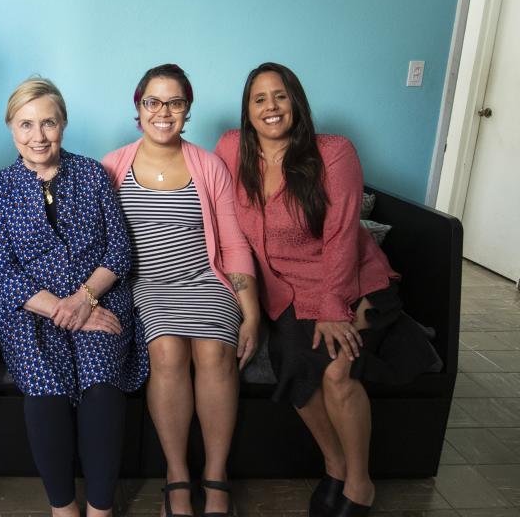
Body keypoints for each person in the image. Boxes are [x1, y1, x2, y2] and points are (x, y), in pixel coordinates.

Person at [214, 62, 441, 517]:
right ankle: (334, 465)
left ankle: (360, 483)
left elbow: (341, 236)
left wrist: (335, 307)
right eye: (259, 99)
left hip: (353, 287)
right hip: (285, 294)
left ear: (296, 102)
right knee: (297, 367)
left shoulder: (334, 153)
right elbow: (211, 205)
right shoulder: (231, 149)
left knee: (338, 373)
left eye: (280, 96)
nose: (271, 107)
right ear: (247, 110)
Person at [0, 78, 148, 517]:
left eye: (48, 123)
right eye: (26, 124)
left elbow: (119, 250)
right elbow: (3, 271)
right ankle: (63, 508)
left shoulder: (93, 174)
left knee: (100, 384)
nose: (38, 136)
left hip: (98, 297)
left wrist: (84, 300)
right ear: (10, 128)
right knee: (45, 386)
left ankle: (100, 508)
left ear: (63, 124)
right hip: (30, 309)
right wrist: (63, 309)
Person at [102, 64, 259, 517]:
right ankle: (176, 474)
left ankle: (216, 475)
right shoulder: (113, 165)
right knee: (167, 352)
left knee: (214, 353)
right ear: (139, 108)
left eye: (175, 102)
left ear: (187, 109)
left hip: (205, 281)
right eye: (154, 101)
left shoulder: (209, 166)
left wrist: (251, 312)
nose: (163, 111)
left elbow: (232, 241)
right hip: (147, 285)